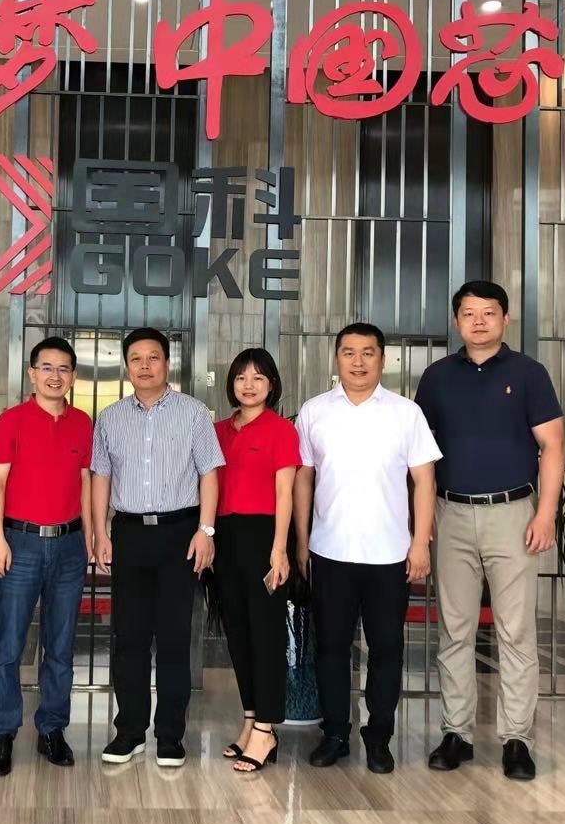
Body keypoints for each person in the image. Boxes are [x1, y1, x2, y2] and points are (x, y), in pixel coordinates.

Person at [414, 281, 564, 782]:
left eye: (489, 313)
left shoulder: (528, 374)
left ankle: (517, 738)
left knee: (515, 631)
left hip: (512, 514)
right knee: (454, 629)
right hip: (450, 513)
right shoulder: (436, 377)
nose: (478, 322)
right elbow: (420, 456)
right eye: (469, 313)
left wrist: (545, 514)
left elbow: (553, 446)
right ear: (456, 320)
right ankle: (455, 732)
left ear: (505, 319)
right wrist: (422, 522)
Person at [294, 322, 441, 774]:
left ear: (383, 358)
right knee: (331, 649)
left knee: (387, 650)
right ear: (336, 358)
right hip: (330, 550)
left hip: (389, 554)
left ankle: (379, 737)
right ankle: (335, 733)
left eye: (368, 352)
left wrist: (420, 543)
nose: (358, 361)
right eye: (349, 352)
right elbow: (303, 478)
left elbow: (424, 481)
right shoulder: (314, 411)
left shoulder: (406, 413)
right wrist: (302, 542)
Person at [91, 327, 224, 768]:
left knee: (173, 639)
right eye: (136, 359)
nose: (145, 366)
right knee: (128, 638)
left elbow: (209, 473)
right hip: (129, 534)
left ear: (167, 364)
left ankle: (170, 736)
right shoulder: (110, 418)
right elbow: (100, 477)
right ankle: (129, 732)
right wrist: (101, 533)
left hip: (179, 534)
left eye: (153, 358)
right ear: (126, 366)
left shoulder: (193, 413)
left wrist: (206, 530)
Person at [0, 337, 93, 777]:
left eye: (63, 369)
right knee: (8, 644)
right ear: (32, 374)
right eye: (46, 367)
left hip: (68, 545)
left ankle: (52, 728)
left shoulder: (82, 424)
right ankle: (2, 733)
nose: (54, 376)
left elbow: (85, 483)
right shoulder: (12, 420)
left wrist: (89, 538)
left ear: (73, 376)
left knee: (60, 646)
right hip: (20, 542)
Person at [213, 348, 301, 773]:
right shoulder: (218, 430)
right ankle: (250, 719)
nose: (248, 385)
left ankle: (267, 728)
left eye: (258, 378)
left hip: (264, 535)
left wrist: (280, 549)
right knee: (237, 633)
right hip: (224, 537)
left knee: (265, 635)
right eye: (241, 377)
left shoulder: (281, 430)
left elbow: (285, 493)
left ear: (272, 385)